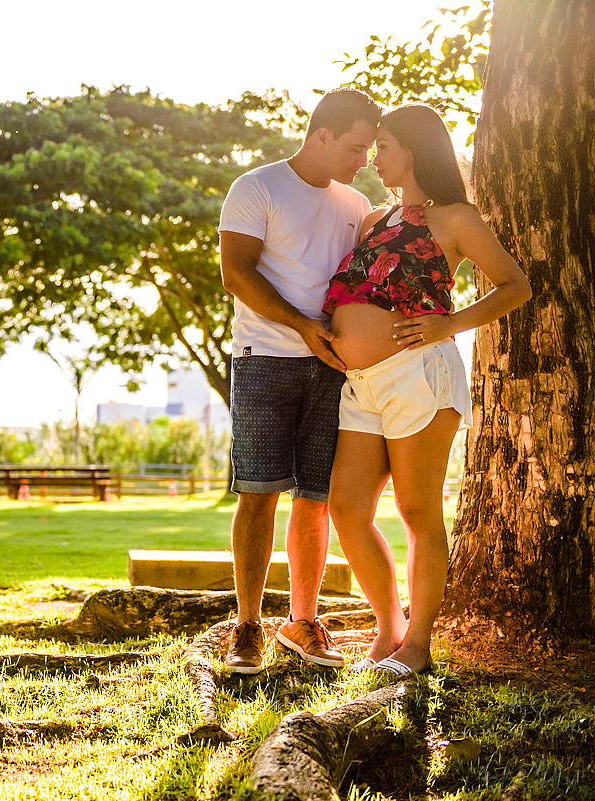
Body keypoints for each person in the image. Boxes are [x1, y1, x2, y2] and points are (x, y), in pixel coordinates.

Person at [323, 103, 531, 675]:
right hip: (361, 382)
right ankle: (387, 629)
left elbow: (516, 285)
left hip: (420, 373)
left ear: (412, 149)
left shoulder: (456, 217)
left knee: (417, 510)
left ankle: (417, 646)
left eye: (384, 145)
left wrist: (450, 323)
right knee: (347, 506)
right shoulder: (374, 221)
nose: (374, 158)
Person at [218, 87, 381, 674]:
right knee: (258, 493)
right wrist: (302, 326)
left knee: (316, 500)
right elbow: (236, 273)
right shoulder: (257, 187)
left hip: (334, 367)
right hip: (265, 358)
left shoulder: (355, 205)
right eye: (357, 147)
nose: (364, 159)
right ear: (322, 136)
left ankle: (303, 622)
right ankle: (247, 627)